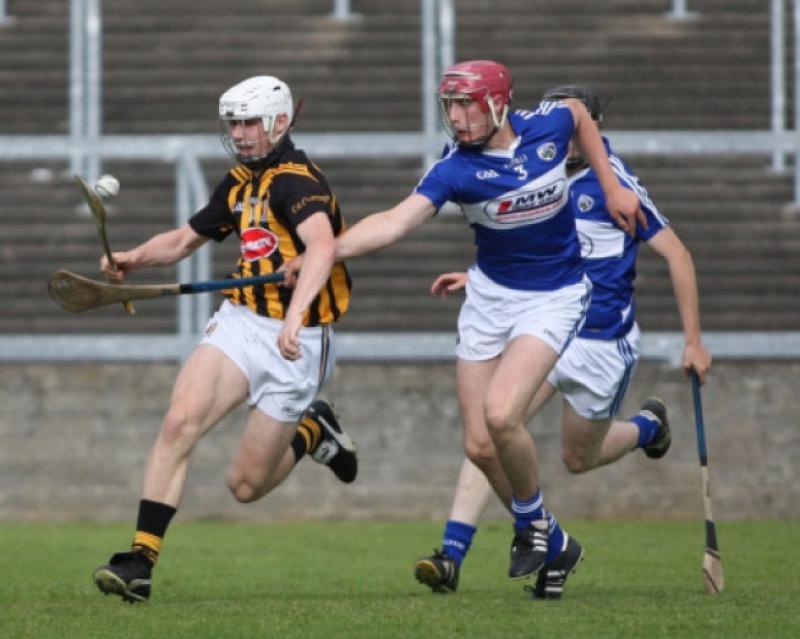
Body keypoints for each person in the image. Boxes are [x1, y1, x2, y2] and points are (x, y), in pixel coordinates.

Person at [282, 61, 646, 589]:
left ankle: (530, 525)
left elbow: (579, 115)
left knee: (501, 414)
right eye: (449, 106)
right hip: (489, 300)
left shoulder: (547, 126)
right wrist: (327, 252)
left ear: (498, 104)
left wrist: (611, 187)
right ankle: (555, 541)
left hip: (555, 297)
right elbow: (393, 222)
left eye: (465, 105)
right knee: (479, 445)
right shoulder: (455, 168)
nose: (455, 117)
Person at [413, 85, 712, 600]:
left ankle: (647, 427)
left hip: (599, 341)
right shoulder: (534, 171)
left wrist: (694, 341)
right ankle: (455, 552)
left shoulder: (614, 181)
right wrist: (477, 277)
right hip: (545, 325)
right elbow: (520, 248)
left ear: (592, 127)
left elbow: (678, 255)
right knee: (491, 428)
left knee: (579, 457)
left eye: (579, 129)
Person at [91, 75, 358, 604]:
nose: (238, 133)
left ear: (279, 122)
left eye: (249, 123)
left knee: (246, 486)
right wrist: (134, 258)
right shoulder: (238, 182)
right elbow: (184, 240)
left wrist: (294, 315)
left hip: (298, 339)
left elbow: (323, 247)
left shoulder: (297, 182)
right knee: (179, 421)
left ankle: (313, 432)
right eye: (233, 123)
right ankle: (140, 560)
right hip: (240, 322)